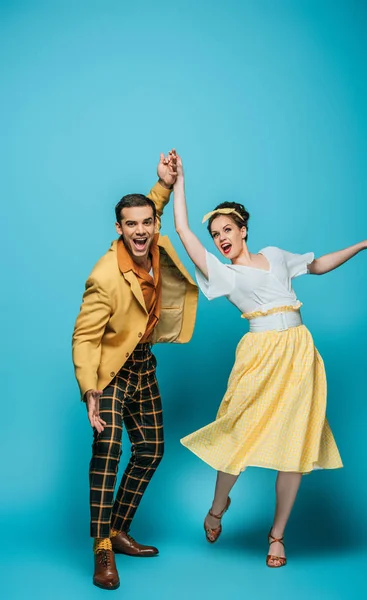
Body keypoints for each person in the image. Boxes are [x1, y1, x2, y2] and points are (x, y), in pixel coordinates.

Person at [172, 151, 367, 568]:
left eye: (226, 229)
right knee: (238, 432)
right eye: (215, 233)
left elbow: (318, 265)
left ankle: (277, 536)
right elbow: (183, 231)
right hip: (260, 355)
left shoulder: (276, 256)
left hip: (298, 352)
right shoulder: (224, 274)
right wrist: (177, 181)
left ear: (243, 229)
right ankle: (218, 507)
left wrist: (362, 246)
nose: (220, 238)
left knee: (295, 443)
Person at [72, 151, 198, 590]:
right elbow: (85, 338)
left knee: (151, 449)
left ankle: (119, 529)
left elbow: (150, 205)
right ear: (118, 229)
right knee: (107, 455)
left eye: (147, 221)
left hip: (143, 362)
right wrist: (90, 391)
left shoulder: (152, 237)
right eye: (132, 225)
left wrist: (162, 183)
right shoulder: (104, 277)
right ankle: (102, 550)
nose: (141, 230)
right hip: (109, 372)